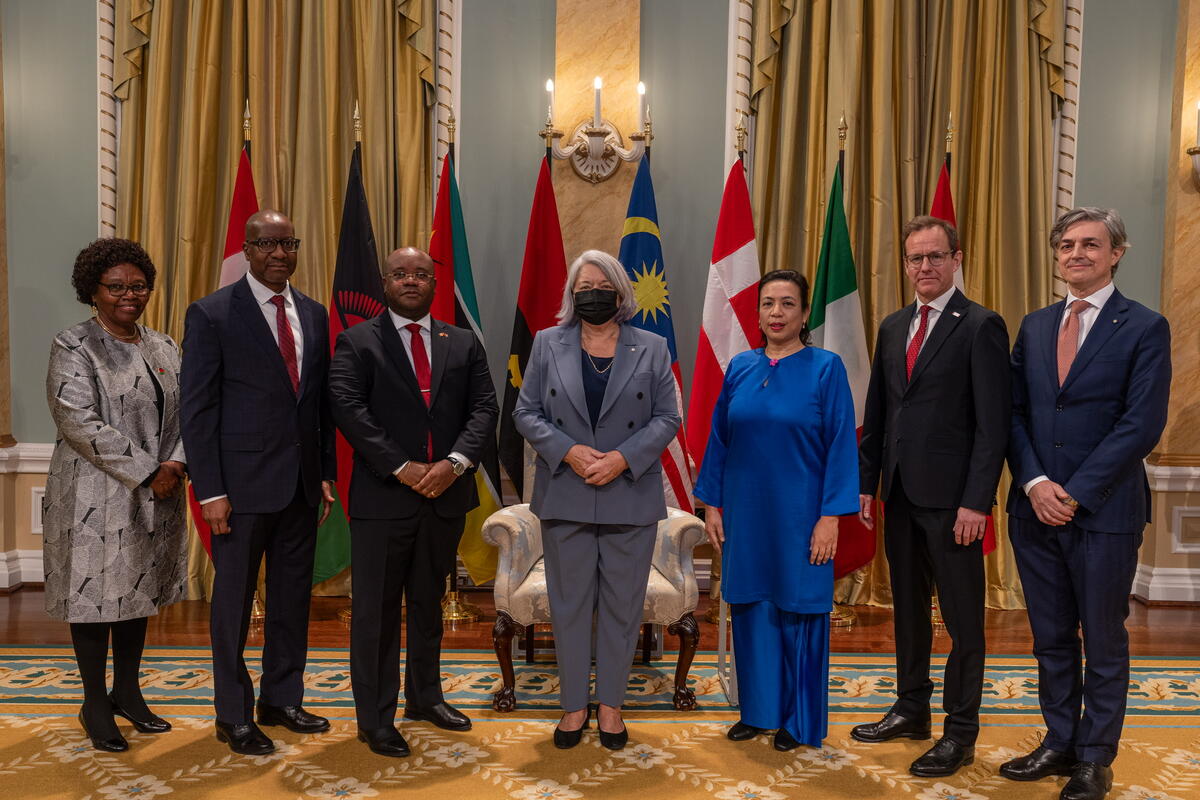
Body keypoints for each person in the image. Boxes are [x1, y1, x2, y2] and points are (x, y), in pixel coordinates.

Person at [1002, 208, 1170, 800]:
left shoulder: (1145, 327)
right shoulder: (1035, 324)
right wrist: (1034, 484)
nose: (1076, 253)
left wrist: (1073, 493)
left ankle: (1096, 756)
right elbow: (1014, 414)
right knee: (1049, 635)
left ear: (1116, 252)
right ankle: (1058, 742)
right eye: (1067, 244)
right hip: (1033, 508)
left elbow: (1141, 424)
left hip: (1105, 513)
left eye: (1090, 244)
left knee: (1102, 637)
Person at [854, 216, 1010, 776]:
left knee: (965, 621)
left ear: (956, 259)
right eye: (915, 258)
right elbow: (878, 413)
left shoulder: (981, 326)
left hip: (954, 504)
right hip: (897, 493)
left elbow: (994, 426)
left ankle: (960, 732)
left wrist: (976, 501)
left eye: (935, 257)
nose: (924, 267)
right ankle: (911, 708)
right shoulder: (895, 326)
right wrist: (867, 484)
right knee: (909, 612)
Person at [328, 247, 498, 758]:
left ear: (433, 283)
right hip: (384, 500)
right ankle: (375, 718)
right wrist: (402, 467)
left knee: (427, 607)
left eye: (421, 274)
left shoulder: (462, 342)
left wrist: (454, 464)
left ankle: (425, 697)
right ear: (385, 282)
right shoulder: (356, 341)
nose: (411, 281)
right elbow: (348, 408)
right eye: (401, 274)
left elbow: (484, 409)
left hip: (445, 497)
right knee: (376, 615)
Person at [180, 209, 337, 756]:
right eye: (267, 244)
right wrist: (211, 491)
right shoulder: (212, 314)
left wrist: (323, 475)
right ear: (246, 250)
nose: (279, 253)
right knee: (232, 605)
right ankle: (233, 714)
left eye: (287, 243)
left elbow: (316, 405)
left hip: (299, 487)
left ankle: (281, 698)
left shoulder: (314, 315)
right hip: (238, 491)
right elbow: (197, 411)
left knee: (293, 599)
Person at [513, 249, 680, 751]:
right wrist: (570, 452)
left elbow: (668, 418)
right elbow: (526, 412)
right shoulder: (546, 343)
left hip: (628, 493)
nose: (592, 295)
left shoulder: (651, 346)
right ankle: (573, 709)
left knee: (622, 606)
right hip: (567, 493)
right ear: (571, 294)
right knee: (568, 606)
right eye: (583, 287)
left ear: (620, 292)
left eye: (601, 286)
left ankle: (610, 707)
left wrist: (622, 459)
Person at [694, 269, 858, 751]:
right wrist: (712, 505)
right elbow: (720, 439)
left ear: (805, 313)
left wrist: (830, 517)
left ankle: (797, 720)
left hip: (803, 517)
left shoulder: (826, 368)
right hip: (746, 513)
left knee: (798, 612)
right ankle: (759, 711)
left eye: (788, 304)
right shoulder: (741, 367)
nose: (777, 313)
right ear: (758, 312)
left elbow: (840, 446)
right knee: (752, 608)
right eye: (768, 304)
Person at [43, 238, 187, 752]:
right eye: (116, 287)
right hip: (92, 494)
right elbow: (78, 420)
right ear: (93, 291)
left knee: (137, 593)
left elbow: (187, 413)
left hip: (158, 493)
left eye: (138, 286)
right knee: (94, 600)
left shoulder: (164, 345)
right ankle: (93, 702)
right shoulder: (73, 345)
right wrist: (150, 470)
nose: (129, 295)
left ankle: (127, 692)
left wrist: (174, 463)